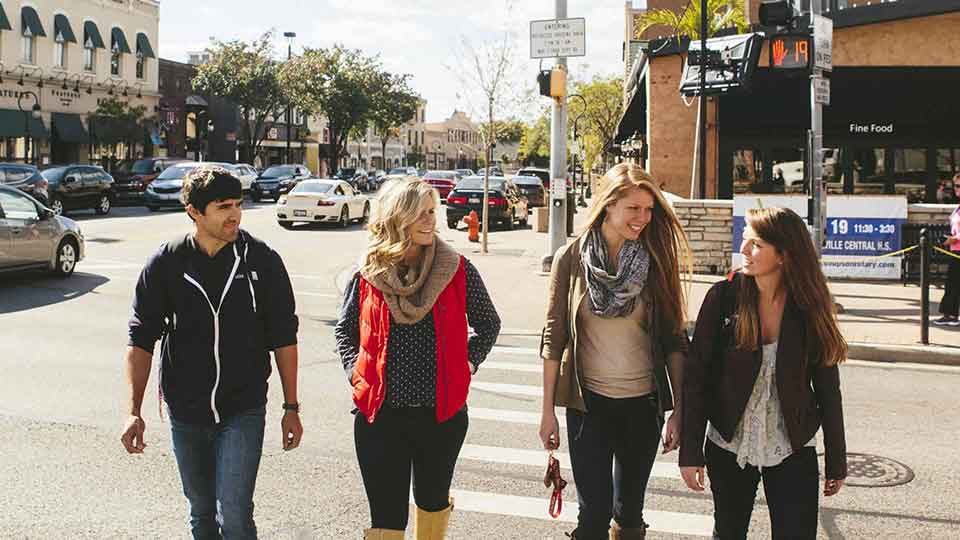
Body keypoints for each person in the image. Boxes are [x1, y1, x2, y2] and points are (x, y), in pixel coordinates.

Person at [120, 166, 303, 539]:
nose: (234, 214)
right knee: (201, 514)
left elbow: (284, 336)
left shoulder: (261, 261)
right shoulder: (167, 262)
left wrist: (291, 407)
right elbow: (141, 338)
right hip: (185, 411)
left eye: (238, 204)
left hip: (243, 408)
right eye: (222, 207)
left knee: (234, 515)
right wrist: (133, 412)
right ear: (194, 211)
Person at [335, 177, 501, 539]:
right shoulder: (367, 274)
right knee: (386, 519)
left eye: (432, 212)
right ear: (396, 218)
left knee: (431, 502)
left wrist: (467, 364)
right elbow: (345, 331)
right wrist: (355, 372)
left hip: (440, 416)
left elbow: (488, 324)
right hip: (380, 417)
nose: (430, 221)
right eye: (420, 214)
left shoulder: (456, 269)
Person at [539, 163, 693, 540]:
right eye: (634, 209)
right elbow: (553, 338)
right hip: (587, 406)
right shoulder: (571, 259)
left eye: (649, 209)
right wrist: (547, 413)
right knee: (593, 516)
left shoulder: (656, 261)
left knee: (628, 515)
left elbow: (674, 340)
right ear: (608, 205)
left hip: (642, 406)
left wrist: (680, 414)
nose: (643, 218)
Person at [680, 206, 848, 539]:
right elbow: (696, 378)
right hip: (729, 445)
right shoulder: (723, 297)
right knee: (728, 532)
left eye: (755, 244)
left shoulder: (809, 305)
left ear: (784, 254)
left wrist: (836, 460)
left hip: (792, 447)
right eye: (744, 240)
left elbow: (828, 388)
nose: (743, 250)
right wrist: (690, 451)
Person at [934, 174, 960, 326]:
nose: (956, 189)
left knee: (953, 282)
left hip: (957, 249)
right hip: (955, 249)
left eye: (959, 186)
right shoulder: (958, 206)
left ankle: (950, 315)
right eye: (955, 186)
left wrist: (955, 239)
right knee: (952, 283)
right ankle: (950, 314)